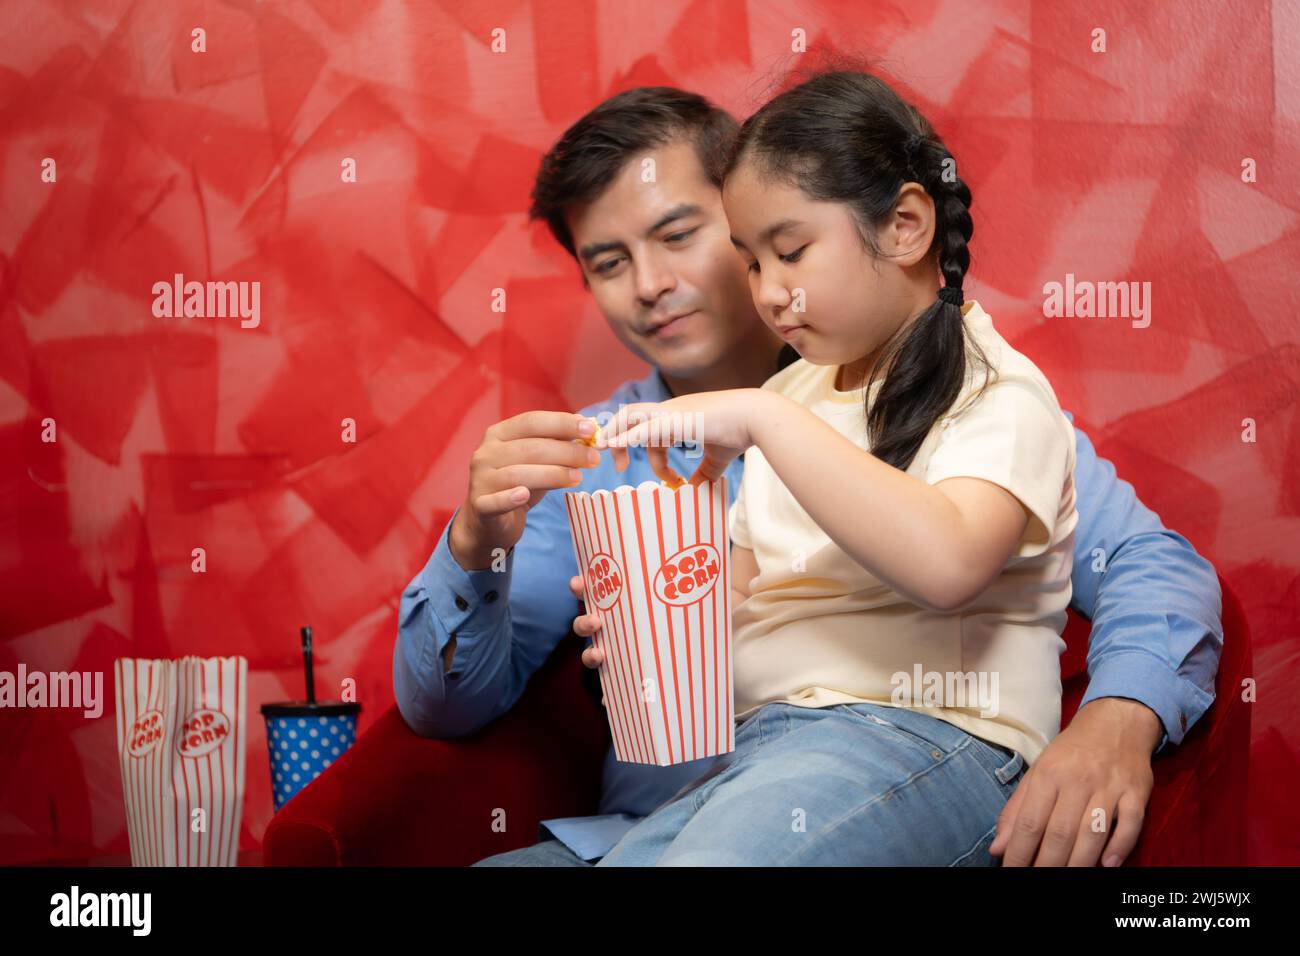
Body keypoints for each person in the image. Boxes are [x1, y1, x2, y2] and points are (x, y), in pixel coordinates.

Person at [393, 85, 1222, 866]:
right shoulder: (590, 456)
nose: (651, 285)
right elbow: (447, 709)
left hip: (871, 770)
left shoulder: (944, 382)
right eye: (608, 262)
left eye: (681, 235)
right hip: (653, 824)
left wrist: (1118, 718)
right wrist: (477, 543)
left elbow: (1149, 566)